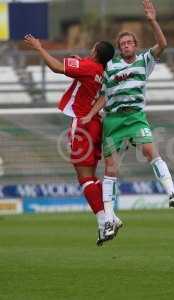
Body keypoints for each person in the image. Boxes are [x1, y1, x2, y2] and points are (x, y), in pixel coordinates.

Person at [82, 0, 174, 239]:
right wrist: (90, 114)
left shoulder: (144, 61)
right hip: (114, 121)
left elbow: (163, 44)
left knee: (150, 152)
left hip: (136, 118)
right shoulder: (111, 67)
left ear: (135, 45)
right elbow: (104, 95)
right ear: (119, 48)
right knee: (111, 169)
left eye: (129, 42)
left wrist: (152, 20)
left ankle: (172, 193)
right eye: (122, 43)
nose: (126, 46)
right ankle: (108, 219)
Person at [24, 34, 117, 245]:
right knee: (91, 177)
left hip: (83, 122)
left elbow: (57, 67)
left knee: (84, 177)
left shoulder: (88, 67)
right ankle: (111, 217)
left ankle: (105, 221)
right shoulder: (102, 72)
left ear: (95, 52)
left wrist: (39, 48)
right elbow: (88, 74)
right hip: (95, 124)